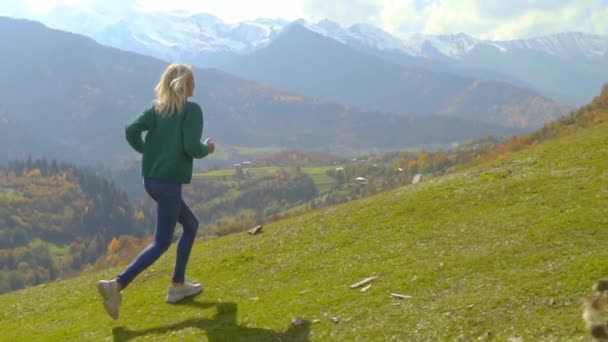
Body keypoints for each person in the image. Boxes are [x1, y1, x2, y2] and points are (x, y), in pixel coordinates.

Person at [97, 63, 215, 320]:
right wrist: (208, 148)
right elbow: (192, 148)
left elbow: (131, 131)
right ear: (184, 83)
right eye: (193, 81)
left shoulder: (157, 109)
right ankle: (116, 285)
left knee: (191, 225)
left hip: (151, 180)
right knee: (162, 242)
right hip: (169, 182)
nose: (195, 85)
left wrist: (148, 152)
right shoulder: (191, 110)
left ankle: (177, 285)